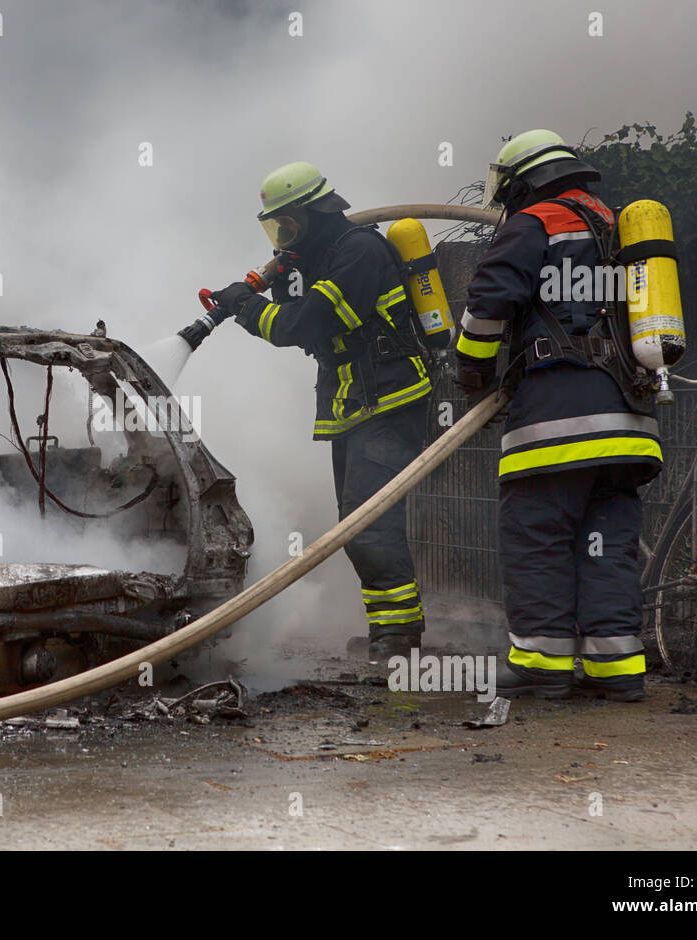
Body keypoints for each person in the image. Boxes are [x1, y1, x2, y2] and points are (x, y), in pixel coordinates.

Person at [455, 130, 662, 701]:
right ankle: (617, 673)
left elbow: (489, 304)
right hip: (630, 429)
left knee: (539, 538)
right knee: (606, 545)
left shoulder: (535, 222)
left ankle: (543, 667)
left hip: (558, 424)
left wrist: (474, 375)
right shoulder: (622, 226)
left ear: (523, 181)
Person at [211, 162, 432, 661]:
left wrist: (246, 307)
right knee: (356, 523)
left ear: (314, 213)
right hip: (350, 404)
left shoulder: (359, 251)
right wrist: (258, 289)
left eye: (288, 223)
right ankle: (390, 631)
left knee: (367, 523)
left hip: (389, 399)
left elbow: (306, 324)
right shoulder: (318, 257)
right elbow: (296, 308)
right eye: (276, 226)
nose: (283, 235)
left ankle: (398, 641)